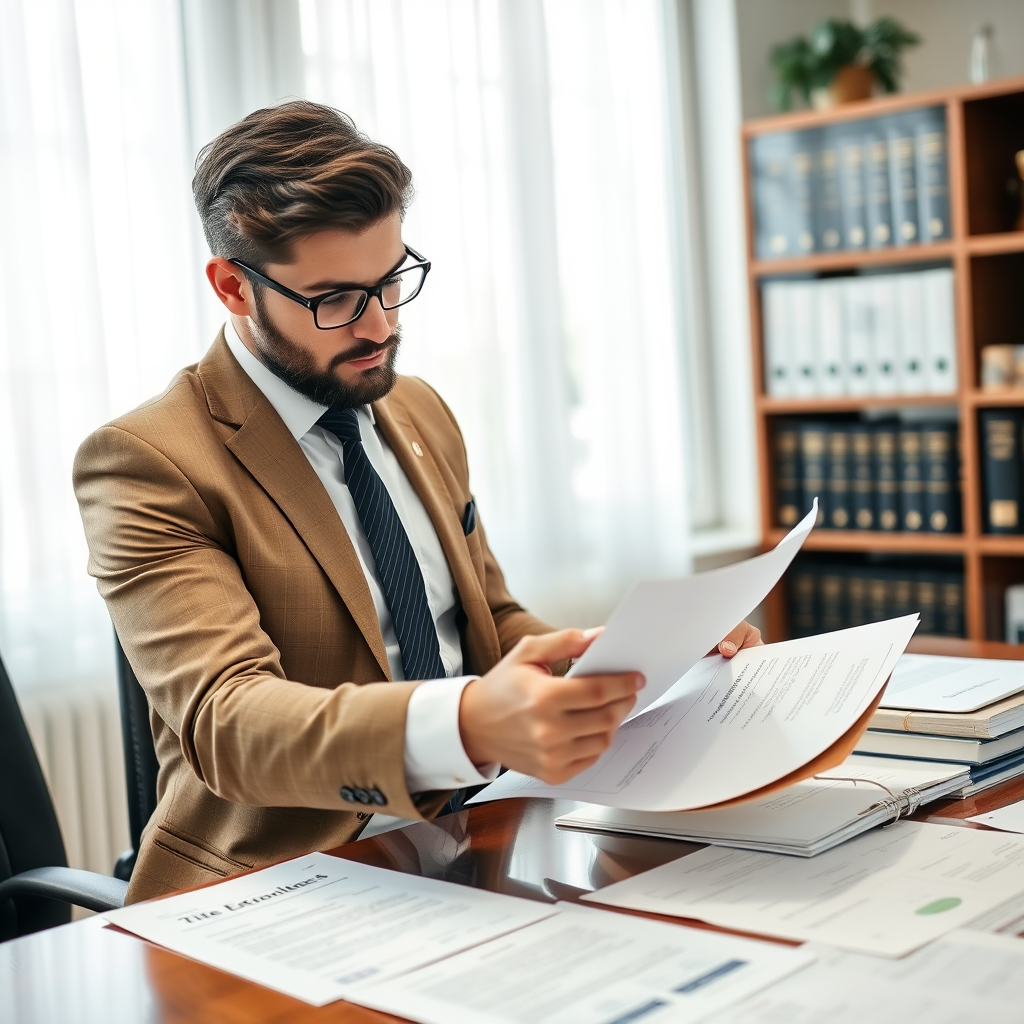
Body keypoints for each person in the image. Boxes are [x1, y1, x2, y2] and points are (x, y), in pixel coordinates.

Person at [73, 100, 761, 903]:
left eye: (392, 281)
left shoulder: (418, 409)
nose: (379, 326)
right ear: (233, 286)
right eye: (334, 299)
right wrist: (467, 724)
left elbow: (492, 626)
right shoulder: (148, 462)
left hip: (477, 836)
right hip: (281, 881)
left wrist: (643, 662)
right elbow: (230, 725)